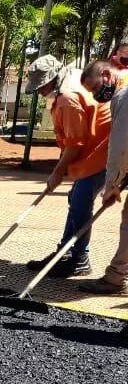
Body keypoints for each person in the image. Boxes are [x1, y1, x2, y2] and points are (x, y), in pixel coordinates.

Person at [22, 54, 111, 278]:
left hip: (102, 153)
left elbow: (75, 144)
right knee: (76, 198)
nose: (41, 92)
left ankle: (79, 258)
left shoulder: (68, 99)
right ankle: (65, 252)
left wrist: (57, 173)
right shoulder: (66, 90)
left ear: (54, 78)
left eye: (43, 86)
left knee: (80, 200)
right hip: (93, 152)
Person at [77, 59, 128, 293]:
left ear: (107, 74)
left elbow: (120, 145)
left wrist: (112, 184)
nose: (97, 96)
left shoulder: (123, 95)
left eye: (96, 88)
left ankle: (116, 278)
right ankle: (117, 276)